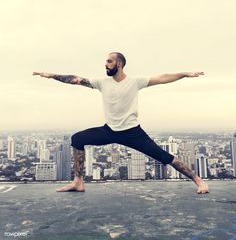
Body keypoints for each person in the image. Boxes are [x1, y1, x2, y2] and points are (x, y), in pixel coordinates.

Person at [32, 52, 209, 194]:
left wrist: (185, 74)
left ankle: (199, 181)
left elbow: (162, 78)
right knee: (77, 139)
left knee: (164, 157)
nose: (105, 64)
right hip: (109, 130)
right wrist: (51, 76)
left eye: (109, 61)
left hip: (133, 133)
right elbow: (75, 79)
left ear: (119, 64)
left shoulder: (135, 81)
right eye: (105, 62)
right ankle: (78, 182)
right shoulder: (102, 82)